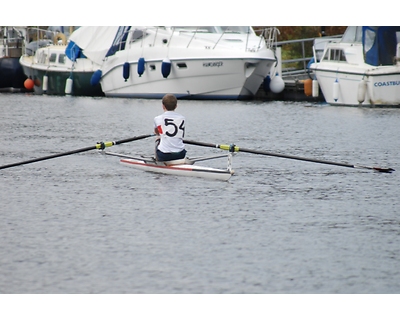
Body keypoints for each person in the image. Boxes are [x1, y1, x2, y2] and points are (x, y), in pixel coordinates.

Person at [154, 93, 187, 161]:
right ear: (176, 106)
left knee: (158, 140)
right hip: (181, 154)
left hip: (164, 155)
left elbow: (157, 131)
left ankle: (157, 161)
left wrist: (158, 136)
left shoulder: (157, 119)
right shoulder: (182, 118)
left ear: (163, 106)